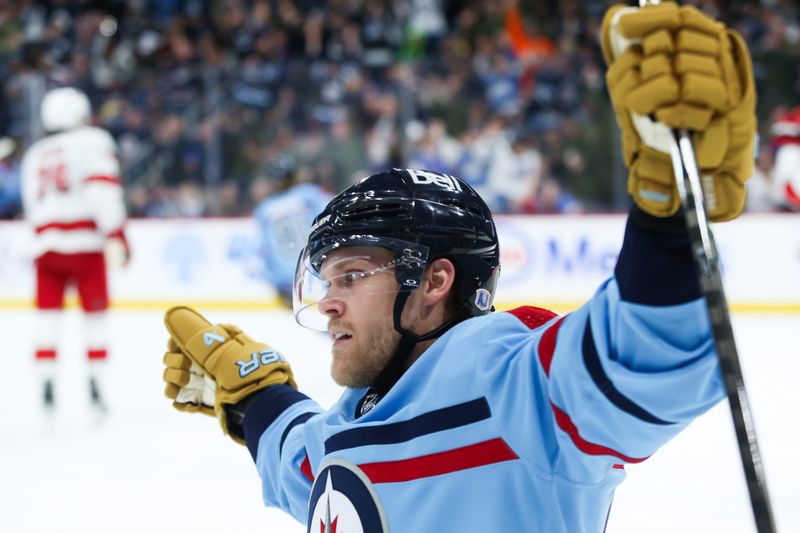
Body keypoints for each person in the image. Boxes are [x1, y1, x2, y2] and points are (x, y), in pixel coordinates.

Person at [160, 4, 757, 531]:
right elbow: (296, 453)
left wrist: (668, 217)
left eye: (353, 275)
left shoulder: (510, 386)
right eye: (325, 279)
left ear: (436, 281)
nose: (327, 301)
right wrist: (252, 398)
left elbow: (645, 354)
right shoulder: (344, 426)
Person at [21, 87, 129, 416]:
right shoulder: (93, 141)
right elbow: (102, 190)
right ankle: (95, 385)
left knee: (46, 318)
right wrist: (116, 231)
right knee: (95, 318)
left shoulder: (34, 153)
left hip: (46, 247)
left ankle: (46, 383)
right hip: (86, 245)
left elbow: (30, 205)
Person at [252, 154, 333, 308]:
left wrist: (276, 281)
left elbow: (265, 249)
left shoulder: (263, 209)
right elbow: (330, 214)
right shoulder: (309, 194)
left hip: (286, 279)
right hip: (316, 270)